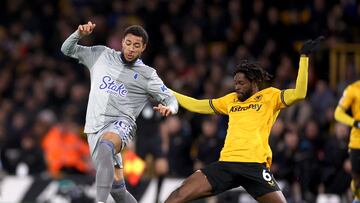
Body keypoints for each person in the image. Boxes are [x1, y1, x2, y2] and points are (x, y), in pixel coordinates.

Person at [164, 36, 324, 203]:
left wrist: (304, 58)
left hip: (254, 166)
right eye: (235, 83)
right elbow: (197, 105)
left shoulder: (270, 96)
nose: (237, 87)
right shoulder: (230, 100)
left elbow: (299, 93)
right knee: (179, 194)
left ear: (254, 82)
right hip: (227, 164)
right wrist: (166, 92)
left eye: (241, 83)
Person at [61, 21, 178, 203]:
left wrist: (170, 108)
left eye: (136, 45)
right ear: (122, 42)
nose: (131, 49)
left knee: (106, 146)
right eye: (129, 43)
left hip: (121, 125)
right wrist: (78, 34)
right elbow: (66, 49)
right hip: (94, 127)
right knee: (118, 191)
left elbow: (171, 99)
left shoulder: (148, 74)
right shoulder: (101, 55)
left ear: (143, 48)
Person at [334, 80, 360, 203]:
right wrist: (355, 123)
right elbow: (338, 113)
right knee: (357, 182)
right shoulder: (353, 89)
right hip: (357, 143)